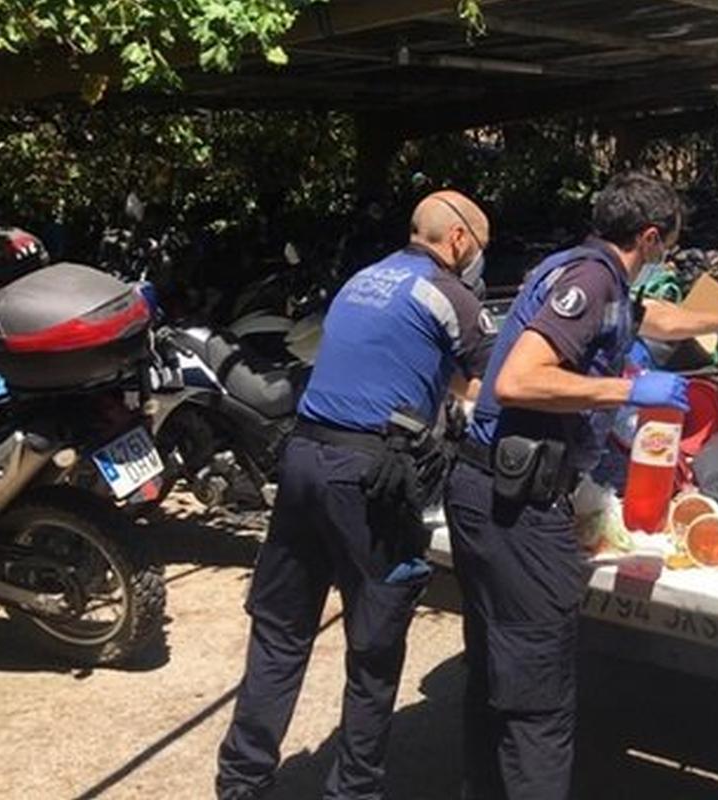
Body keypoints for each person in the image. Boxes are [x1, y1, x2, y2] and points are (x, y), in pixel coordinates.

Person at [444, 171, 718, 799]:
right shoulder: (592, 281)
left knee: (495, 675)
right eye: (668, 244)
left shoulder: (595, 275)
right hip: (517, 502)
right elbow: (517, 379)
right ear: (648, 238)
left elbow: (655, 318)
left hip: (490, 488)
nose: (668, 254)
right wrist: (626, 391)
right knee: (538, 698)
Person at [216, 190, 495, 800]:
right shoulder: (450, 294)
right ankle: (354, 790)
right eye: (480, 247)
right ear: (458, 240)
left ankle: (241, 782)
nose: (479, 259)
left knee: (281, 631)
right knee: (373, 650)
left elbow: (407, 359)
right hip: (369, 476)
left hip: (303, 459)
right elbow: (499, 380)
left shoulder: (363, 280)